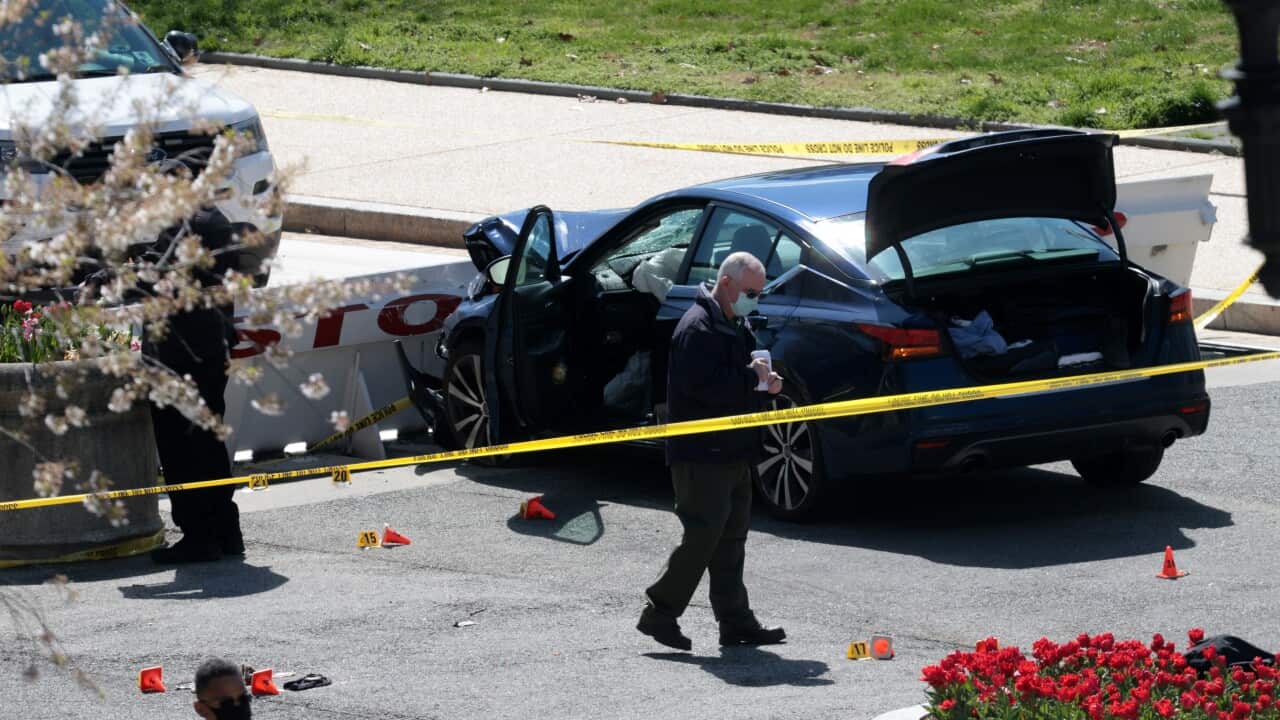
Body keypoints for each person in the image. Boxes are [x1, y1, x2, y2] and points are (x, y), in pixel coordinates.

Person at [638, 251, 786, 651]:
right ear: (726, 284)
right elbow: (705, 390)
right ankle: (660, 612)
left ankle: (735, 620)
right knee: (703, 535)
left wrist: (766, 383)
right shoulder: (697, 328)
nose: (756, 299)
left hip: (733, 451)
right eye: (751, 292)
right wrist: (751, 380)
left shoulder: (731, 322)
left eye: (759, 292)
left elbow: (741, 380)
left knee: (731, 538)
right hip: (702, 454)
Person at [145, 207, 245, 564]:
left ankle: (199, 536)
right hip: (210, 349)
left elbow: (159, 277)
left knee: (180, 450)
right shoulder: (216, 220)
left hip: (181, 357)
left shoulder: (186, 224)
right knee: (209, 444)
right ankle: (225, 531)